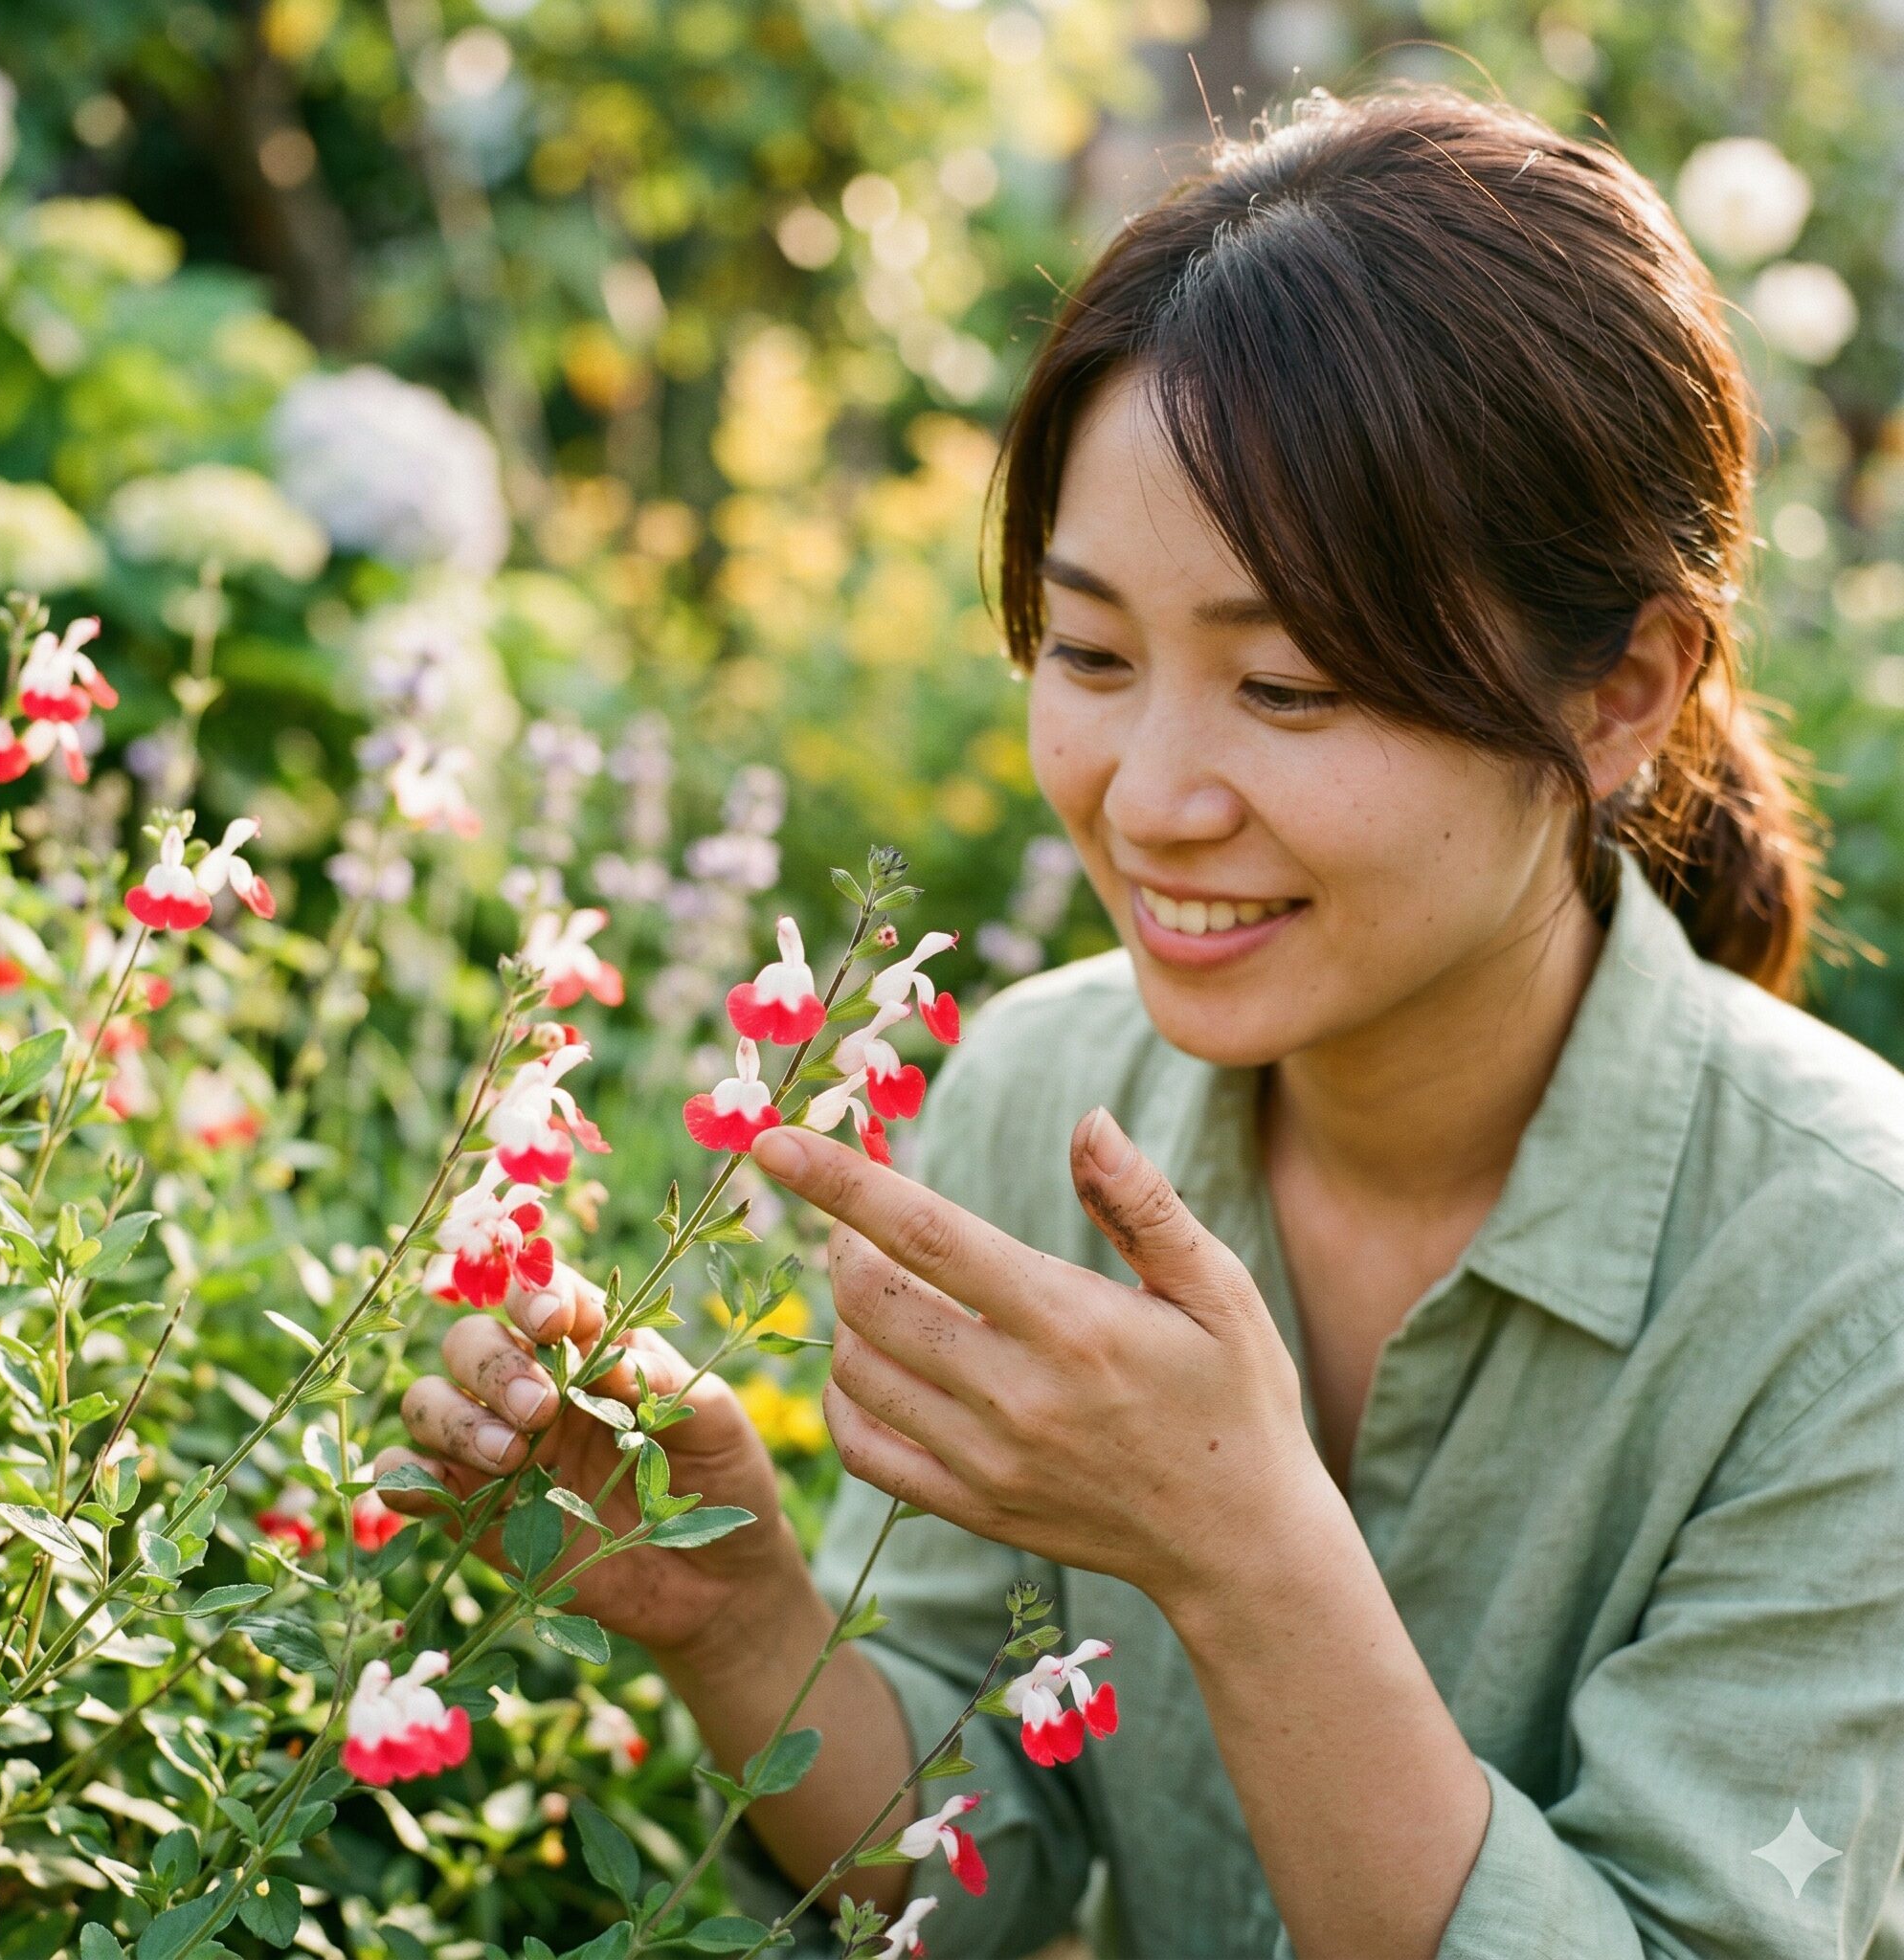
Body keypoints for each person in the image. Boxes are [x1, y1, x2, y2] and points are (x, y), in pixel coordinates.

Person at [377, 84, 1904, 1958]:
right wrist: (742, 1619)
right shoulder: (1045, 1093)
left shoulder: (1850, 1282)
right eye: (1091, 653)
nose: (1150, 797)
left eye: (1290, 684)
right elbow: (980, 1856)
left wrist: (1245, 1555)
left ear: (1620, 696)